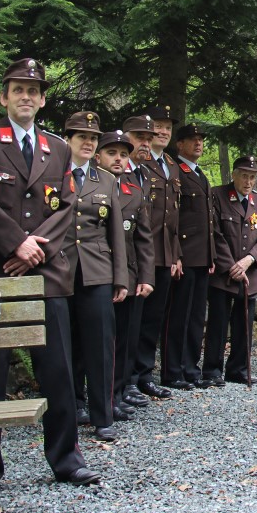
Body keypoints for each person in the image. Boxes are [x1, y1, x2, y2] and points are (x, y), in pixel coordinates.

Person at [0, 58, 101, 491]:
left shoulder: (56, 148)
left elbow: (66, 205)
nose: (26, 97)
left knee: (56, 369)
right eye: (18, 90)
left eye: (33, 91)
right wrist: (14, 242)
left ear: (41, 100)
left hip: (43, 273)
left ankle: (66, 460)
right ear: (4, 97)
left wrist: (33, 250)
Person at [62, 112, 128, 443]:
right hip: (60, 270)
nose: (87, 143)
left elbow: (116, 232)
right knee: (67, 344)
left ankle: (103, 416)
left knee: (101, 344)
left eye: (92, 139)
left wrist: (120, 278)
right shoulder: (53, 173)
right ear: (69, 140)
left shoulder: (106, 180)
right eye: (81, 138)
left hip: (98, 270)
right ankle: (73, 406)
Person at [95, 127, 155, 413]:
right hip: (98, 274)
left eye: (122, 154)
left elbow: (144, 239)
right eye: (111, 153)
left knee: (125, 341)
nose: (118, 159)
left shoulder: (134, 190)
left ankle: (117, 396)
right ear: (97, 157)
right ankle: (91, 401)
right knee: (98, 343)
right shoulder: (87, 186)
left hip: (129, 276)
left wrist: (146, 277)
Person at [202, 156, 257, 386]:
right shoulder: (218, 195)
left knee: (245, 325)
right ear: (234, 175)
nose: (248, 181)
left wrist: (248, 261)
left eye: (252, 176)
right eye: (244, 175)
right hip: (225, 273)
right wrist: (232, 265)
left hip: (248, 273)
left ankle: (238, 369)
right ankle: (212, 370)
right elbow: (215, 234)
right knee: (218, 324)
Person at [128, 105, 181, 400]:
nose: (162, 133)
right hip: (139, 255)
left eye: (166, 129)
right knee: (135, 319)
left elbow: (173, 217)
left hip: (163, 254)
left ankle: (145, 375)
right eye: (156, 128)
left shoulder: (171, 165)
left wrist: (175, 255)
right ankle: (129, 378)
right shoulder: (136, 162)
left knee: (153, 320)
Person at [163, 123, 216, 389]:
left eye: (200, 140)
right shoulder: (175, 171)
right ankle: (173, 371)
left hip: (202, 257)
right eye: (192, 140)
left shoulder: (199, 173)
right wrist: (176, 255)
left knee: (196, 317)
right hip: (185, 256)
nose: (198, 144)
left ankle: (191, 368)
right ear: (179, 144)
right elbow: (173, 218)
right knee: (179, 316)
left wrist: (211, 255)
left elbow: (206, 220)